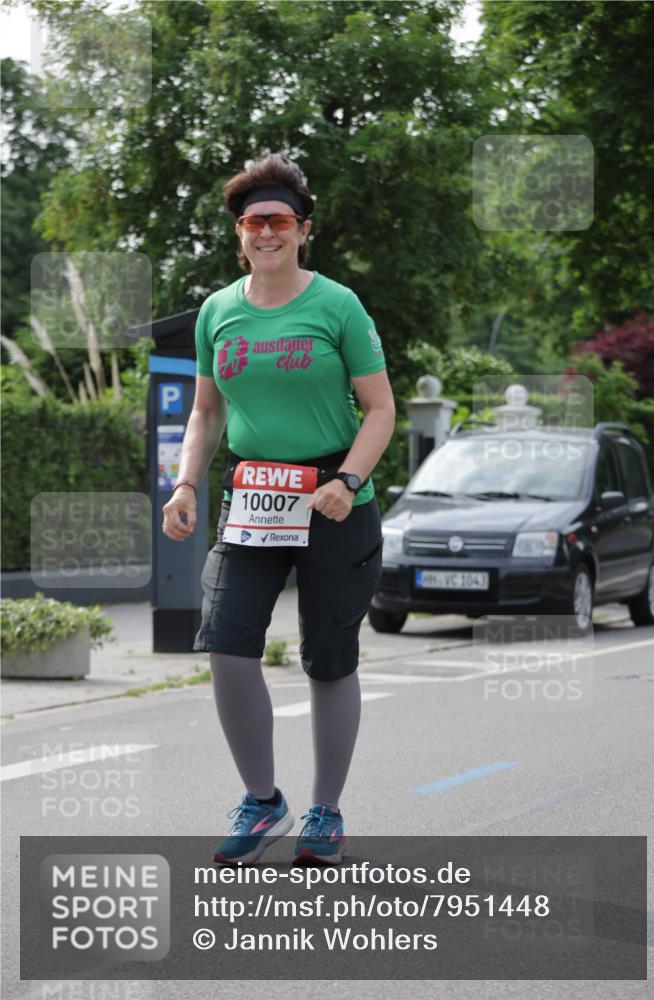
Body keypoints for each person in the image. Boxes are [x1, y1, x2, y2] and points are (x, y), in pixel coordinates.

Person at [162, 153, 395, 865]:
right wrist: (183, 485)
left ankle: (325, 814)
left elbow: (381, 410)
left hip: (332, 498)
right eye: (252, 221)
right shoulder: (217, 311)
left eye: (278, 221)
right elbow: (205, 413)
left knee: (328, 661)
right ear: (239, 235)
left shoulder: (337, 305)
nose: (265, 232)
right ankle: (263, 801)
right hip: (252, 496)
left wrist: (347, 482)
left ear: (301, 231)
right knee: (227, 646)